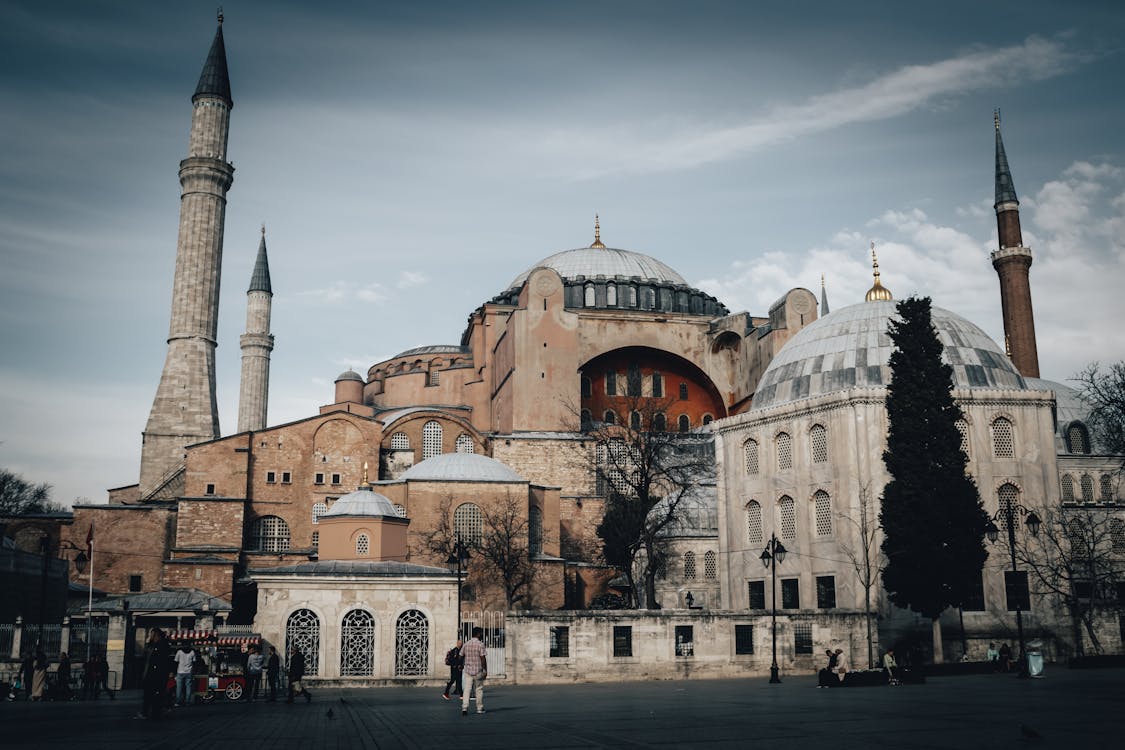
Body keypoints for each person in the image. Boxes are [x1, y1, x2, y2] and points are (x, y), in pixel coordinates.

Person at [136, 628, 173, 719]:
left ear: (156, 635)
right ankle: (153, 712)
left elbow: (162, 661)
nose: (150, 636)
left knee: (153, 695)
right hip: (152, 674)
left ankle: (151, 713)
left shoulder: (161, 645)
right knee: (152, 695)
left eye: (151, 634)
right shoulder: (153, 645)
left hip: (156, 674)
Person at [459, 627, 487, 716]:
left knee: (467, 689)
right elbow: (483, 658)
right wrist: (485, 670)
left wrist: (461, 664)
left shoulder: (466, 644)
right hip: (478, 670)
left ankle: (464, 707)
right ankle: (479, 708)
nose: (482, 635)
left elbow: (461, 655)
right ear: (478, 634)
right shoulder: (480, 644)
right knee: (478, 689)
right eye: (481, 633)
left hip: (468, 670)